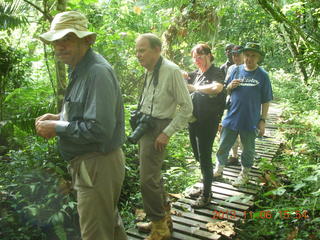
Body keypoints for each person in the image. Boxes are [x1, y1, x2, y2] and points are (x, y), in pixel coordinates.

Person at [35, 11, 127, 240]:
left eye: (67, 38)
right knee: (109, 226)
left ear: (85, 39)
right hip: (90, 165)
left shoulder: (97, 72)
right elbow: (84, 114)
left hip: (97, 164)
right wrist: (59, 117)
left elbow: (100, 129)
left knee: (95, 232)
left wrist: (57, 128)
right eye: (56, 41)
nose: (60, 46)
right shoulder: (80, 69)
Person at [134, 33, 193, 240]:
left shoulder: (171, 70)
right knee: (153, 177)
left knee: (146, 181)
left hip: (158, 128)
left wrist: (167, 132)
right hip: (146, 126)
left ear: (157, 50)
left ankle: (159, 228)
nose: (138, 55)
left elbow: (187, 107)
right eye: (137, 50)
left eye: (142, 50)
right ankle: (163, 218)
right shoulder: (151, 70)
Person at [214, 42, 273, 186]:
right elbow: (225, 91)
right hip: (232, 116)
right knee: (223, 145)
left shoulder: (263, 76)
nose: (249, 58)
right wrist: (229, 87)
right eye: (247, 55)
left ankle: (244, 174)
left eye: (253, 56)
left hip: (250, 119)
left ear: (258, 58)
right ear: (243, 55)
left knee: (248, 149)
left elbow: (266, 100)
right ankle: (218, 169)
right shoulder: (235, 70)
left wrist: (262, 120)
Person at [184, 43, 226, 208]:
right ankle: (204, 186)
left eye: (200, 56)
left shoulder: (216, 72)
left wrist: (195, 87)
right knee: (197, 155)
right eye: (194, 58)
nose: (197, 60)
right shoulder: (196, 74)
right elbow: (181, 76)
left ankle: (207, 194)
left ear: (209, 55)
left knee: (205, 157)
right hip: (193, 120)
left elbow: (217, 88)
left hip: (208, 121)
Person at [226, 45, 244, 165]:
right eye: (234, 55)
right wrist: (230, 86)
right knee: (231, 131)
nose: (236, 57)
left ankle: (244, 159)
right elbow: (225, 88)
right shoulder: (231, 69)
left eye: (238, 55)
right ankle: (234, 156)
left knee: (244, 133)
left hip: (245, 106)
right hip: (232, 104)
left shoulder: (250, 69)